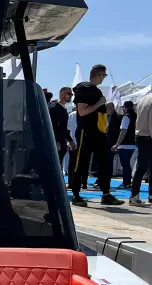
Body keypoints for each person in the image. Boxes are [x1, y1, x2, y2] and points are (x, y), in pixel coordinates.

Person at [71, 64, 123, 206]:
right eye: (103, 76)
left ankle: (106, 193)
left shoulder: (95, 90)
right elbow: (82, 111)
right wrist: (99, 103)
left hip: (98, 132)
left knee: (105, 162)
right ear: (99, 75)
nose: (103, 78)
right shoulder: (84, 89)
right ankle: (76, 194)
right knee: (81, 163)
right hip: (86, 132)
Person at [129, 79, 152, 206]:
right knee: (144, 168)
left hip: (140, 135)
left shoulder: (143, 99)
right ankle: (135, 196)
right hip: (148, 137)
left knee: (151, 167)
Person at [112, 100, 137, 190]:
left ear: (125, 107)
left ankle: (126, 182)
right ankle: (127, 182)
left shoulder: (126, 117)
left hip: (125, 144)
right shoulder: (136, 116)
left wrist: (117, 143)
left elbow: (123, 131)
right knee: (127, 163)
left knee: (125, 164)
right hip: (133, 143)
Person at [48, 87, 73, 166]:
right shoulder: (54, 107)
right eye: (69, 94)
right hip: (55, 143)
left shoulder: (63, 109)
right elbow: (51, 126)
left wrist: (70, 141)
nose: (71, 96)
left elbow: (64, 128)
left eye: (71, 94)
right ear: (62, 94)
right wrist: (55, 141)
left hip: (61, 143)